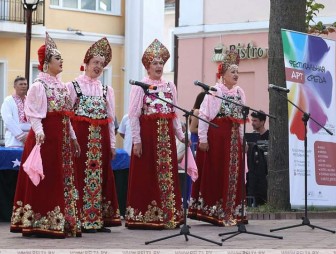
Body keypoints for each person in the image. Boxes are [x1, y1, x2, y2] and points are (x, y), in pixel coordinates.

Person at [10, 32, 81, 238]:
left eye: (61, 58)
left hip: (62, 140)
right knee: (44, 179)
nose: (61, 61)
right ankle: (39, 222)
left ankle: (60, 221)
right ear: (46, 63)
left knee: (60, 179)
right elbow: (33, 112)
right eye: (57, 58)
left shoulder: (62, 87)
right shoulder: (39, 86)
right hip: (45, 139)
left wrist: (74, 138)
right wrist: (39, 132)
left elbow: (66, 116)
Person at [125, 39, 185, 229]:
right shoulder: (140, 86)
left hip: (166, 139)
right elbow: (133, 115)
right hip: (148, 137)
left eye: (161, 63)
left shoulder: (169, 86)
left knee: (167, 175)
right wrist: (137, 141)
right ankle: (145, 216)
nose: (159, 66)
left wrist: (181, 136)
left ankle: (168, 214)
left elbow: (174, 114)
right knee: (147, 175)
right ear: (147, 66)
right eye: (155, 63)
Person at [67, 37, 121, 233]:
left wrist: (113, 144)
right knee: (80, 177)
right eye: (95, 62)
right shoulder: (73, 86)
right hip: (81, 140)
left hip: (101, 141)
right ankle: (81, 219)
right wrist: (70, 140)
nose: (98, 66)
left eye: (101, 64)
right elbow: (66, 114)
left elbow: (110, 119)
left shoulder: (107, 90)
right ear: (86, 63)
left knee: (101, 178)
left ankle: (98, 220)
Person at [188, 49, 247, 226]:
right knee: (217, 173)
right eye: (232, 72)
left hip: (233, 139)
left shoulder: (239, 93)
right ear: (223, 74)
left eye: (237, 72)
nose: (236, 75)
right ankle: (214, 211)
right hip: (217, 138)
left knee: (232, 174)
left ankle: (232, 211)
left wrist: (242, 140)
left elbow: (241, 119)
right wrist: (203, 139)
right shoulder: (215, 91)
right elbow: (204, 116)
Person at [246, 110, 269, 206]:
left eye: (255, 121)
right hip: (252, 171)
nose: (252, 123)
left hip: (265, 172)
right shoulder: (251, 136)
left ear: (262, 122)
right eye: (252, 120)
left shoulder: (269, 135)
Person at [1, 76, 31, 147]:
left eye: (25, 84)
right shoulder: (8, 100)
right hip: (13, 139)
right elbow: (8, 120)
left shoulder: (30, 101)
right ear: (14, 86)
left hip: (30, 138)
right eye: (21, 84)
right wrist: (22, 136)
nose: (23, 86)